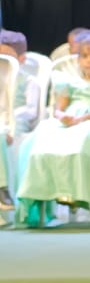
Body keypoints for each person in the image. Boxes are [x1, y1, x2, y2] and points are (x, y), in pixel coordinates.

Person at [13, 33, 90, 227]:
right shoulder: (69, 82)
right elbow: (59, 108)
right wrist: (62, 116)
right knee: (42, 141)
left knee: (82, 143)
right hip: (69, 119)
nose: (89, 61)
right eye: (84, 56)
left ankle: (76, 195)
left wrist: (83, 118)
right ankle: (39, 196)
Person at [1, 29, 45, 211]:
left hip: (16, 122)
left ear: (21, 59)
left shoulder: (29, 81)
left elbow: (30, 111)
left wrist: (10, 119)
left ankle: (3, 188)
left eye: (7, 57)